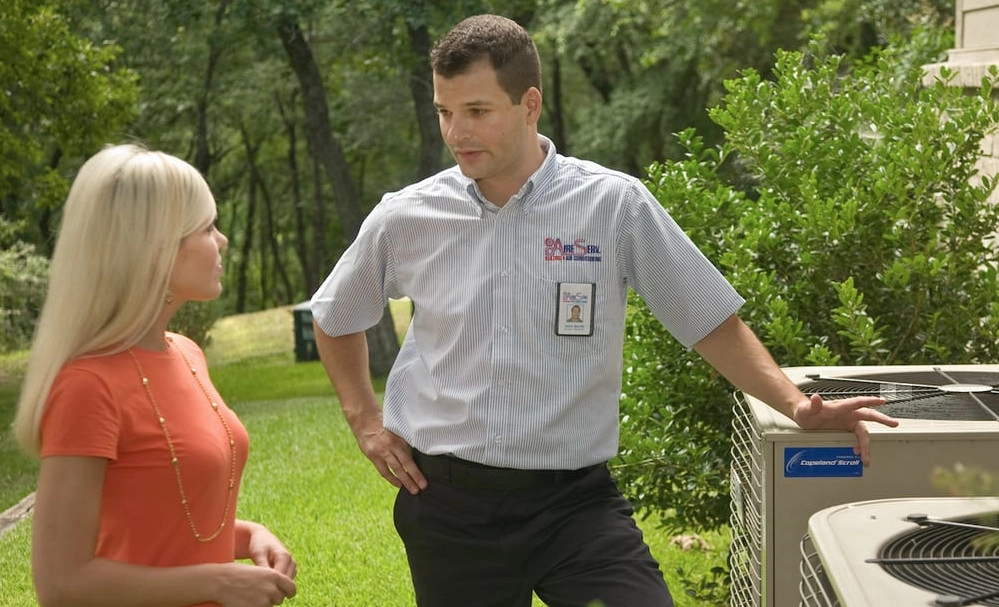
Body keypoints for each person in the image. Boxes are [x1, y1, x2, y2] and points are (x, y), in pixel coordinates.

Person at [310, 14, 898, 607]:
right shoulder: (407, 216)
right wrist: (365, 423)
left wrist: (796, 405)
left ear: (529, 103)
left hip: (575, 508)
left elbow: (709, 320)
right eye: (445, 112)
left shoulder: (612, 205)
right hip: (449, 507)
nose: (457, 131)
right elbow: (336, 315)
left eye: (478, 111)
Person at [12, 144, 297, 607]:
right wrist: (218, 582)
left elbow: (160, 520)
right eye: (206, 228)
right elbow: (62, 583)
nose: (222, 240)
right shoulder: (86, 387)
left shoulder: (186, 352)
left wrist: (248, 536)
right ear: (154, 249)